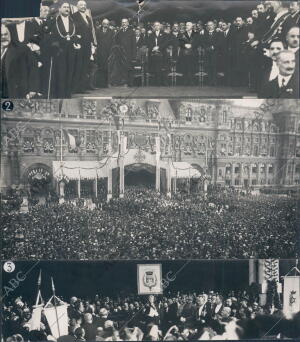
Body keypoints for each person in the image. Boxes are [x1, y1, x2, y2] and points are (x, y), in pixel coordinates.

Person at [48, 2, 81, 98]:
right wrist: (56, 46)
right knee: (60, 72)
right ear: (60, 9)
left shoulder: (73, 21)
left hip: (71, 50)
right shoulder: (54, 21)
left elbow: (76, 34)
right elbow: (52, 35)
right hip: (59, 50)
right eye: (64, 7)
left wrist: (76, 42)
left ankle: (67, 94)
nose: (67, 9)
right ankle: (60, 94)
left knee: (70, 71)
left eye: (68, 7)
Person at [1, 24, 39, 98]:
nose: (3, 37)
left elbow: (33, 67)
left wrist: (33, 89)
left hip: (15, 92)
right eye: (1, 35)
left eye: (5, 34)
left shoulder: (22, 49)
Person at [72, 0, 95, 93]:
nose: (83, 6)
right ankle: (76, 88)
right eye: (81, 5)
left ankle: (82, 88)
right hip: (79, 46)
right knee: (78, 67)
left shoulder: (87, 17)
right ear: (77, 6)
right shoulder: (73, 16)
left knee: (85, 67)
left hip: (87, 46)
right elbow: (72, 30)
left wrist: (92, 43)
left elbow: (90, 32)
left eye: (84, 5)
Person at [109, 18, 136, 87]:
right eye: (122, 22)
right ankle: (121, 82)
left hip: (128, 53)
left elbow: (134, 44)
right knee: (120, 68)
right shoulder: (119, 32)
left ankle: (129, 83)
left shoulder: (131, 32)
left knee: (128, 68)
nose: (124, 24)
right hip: (120, 54)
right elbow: (116, 42)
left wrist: (133, 56)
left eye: (125, 22)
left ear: (128, 23)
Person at [147, 22, 170, 86]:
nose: (157, 26)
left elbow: (166, 42)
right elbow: (149, 43)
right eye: (155, 25)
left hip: (162, 53)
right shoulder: (151, 35)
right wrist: (153, 48)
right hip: (153, 53)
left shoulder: (164, 34)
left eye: (158, 25)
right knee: (156, 61)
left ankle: (162, 81)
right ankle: (157, 82)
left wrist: (159, 47)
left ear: (160, 26)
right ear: (154, 27)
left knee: (161, 63)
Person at [95, 19, 114, 88]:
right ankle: (100, 84)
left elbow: (113, 42)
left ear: (108, 24)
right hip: (100, 52)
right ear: (102, 24)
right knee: (100, 68)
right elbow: (96, 41)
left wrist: (111, 52)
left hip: (108, 52)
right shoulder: (97, 31)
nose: (105, 25)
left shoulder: (111, 32)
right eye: (104, 23)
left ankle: (106, 83)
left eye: (107, 24)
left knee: (107, 69)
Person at [203, 21, 220, 86]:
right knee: (209, 67)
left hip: (215, 53)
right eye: (208, 25)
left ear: (214, 26)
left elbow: (219, 42)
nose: (210, 26)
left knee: (214, 67)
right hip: (207, 53)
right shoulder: (205, 34)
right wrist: (206, 48)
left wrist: (213, 47)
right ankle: (210, 81)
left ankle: (215, 81)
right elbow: (203, 42)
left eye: (211, 25)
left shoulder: (218, 33)